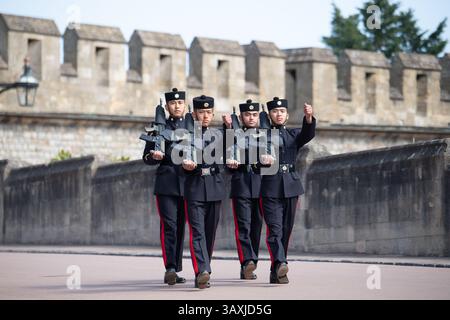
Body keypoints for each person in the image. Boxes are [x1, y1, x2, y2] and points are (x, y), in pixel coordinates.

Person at [259, 97, 315, 284]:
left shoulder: (292, 134)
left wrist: (308, 118)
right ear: (270, 115)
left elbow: (307, 134)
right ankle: (282, 262)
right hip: (270, 188)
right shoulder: (260, 136)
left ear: (287, 115)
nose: (279, 114)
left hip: (290, 186)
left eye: (282, 111)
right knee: (274, 230)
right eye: (275, 112)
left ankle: (276, 270)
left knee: (285, 230)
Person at [142, 88, 187, 286]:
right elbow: (146, 158)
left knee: (181, 228)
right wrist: (154, 155)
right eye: (173, 103)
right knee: (169, 226)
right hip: (166, 182)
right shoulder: (158, 126)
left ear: (184, 105)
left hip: (187, 183)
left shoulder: (191, 126)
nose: (177, 106)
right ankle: (170, 267)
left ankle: (176, 269)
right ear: (167, 106)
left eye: (180, 103)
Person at [182, 95, 226, 289]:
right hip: (194, 187)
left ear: (213, 113)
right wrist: (185, 165)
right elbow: (179, 158)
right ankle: (202, 270)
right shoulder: (184, 135)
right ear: (194, 114)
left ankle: (205, 266)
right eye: (202, 112)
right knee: (197, 232)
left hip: (214, 188)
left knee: (209, 233)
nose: (206, 115)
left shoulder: (220, 135)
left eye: (209, 112)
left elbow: (236, 150)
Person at [222, 99, 264, 280]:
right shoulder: (232, 134)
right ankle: (246, 261)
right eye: (247, 115)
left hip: (261, 186)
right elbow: (224, 156)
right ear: (241, 117)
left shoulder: (266, 135)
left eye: (255, 115)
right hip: (241, 185)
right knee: (243, 226)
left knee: (256, 227)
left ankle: (251, 262)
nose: (251, 118)